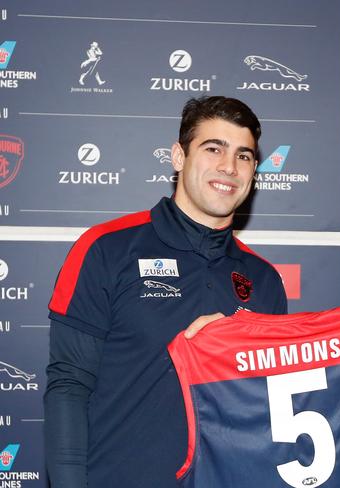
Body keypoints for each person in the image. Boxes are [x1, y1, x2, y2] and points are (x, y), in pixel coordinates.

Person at [44, 96, 288, 488]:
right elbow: (69, 386)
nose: (229, 167)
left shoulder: (264, 280)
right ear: (178, 156)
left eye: (244, 156)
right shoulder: (107, 248)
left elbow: (271, 407)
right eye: (213, 149)